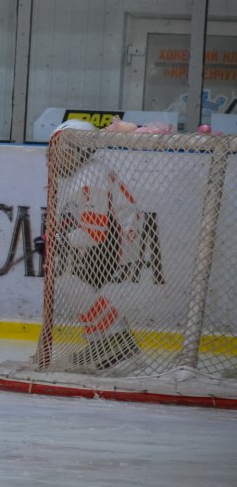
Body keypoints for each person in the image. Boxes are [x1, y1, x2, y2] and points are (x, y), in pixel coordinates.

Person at [41, 119, 141, 370]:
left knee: (74, 284)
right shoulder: (85, 173)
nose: (54, 160)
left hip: (116, 240)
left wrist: (62, 239)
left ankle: (116, 340)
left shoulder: (88, 177)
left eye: (62, 153)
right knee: (73, 284)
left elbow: (95, 233)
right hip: (113, 236)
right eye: (53, 153)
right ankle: (105, 343)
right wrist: (60, 235)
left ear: (80, 152)